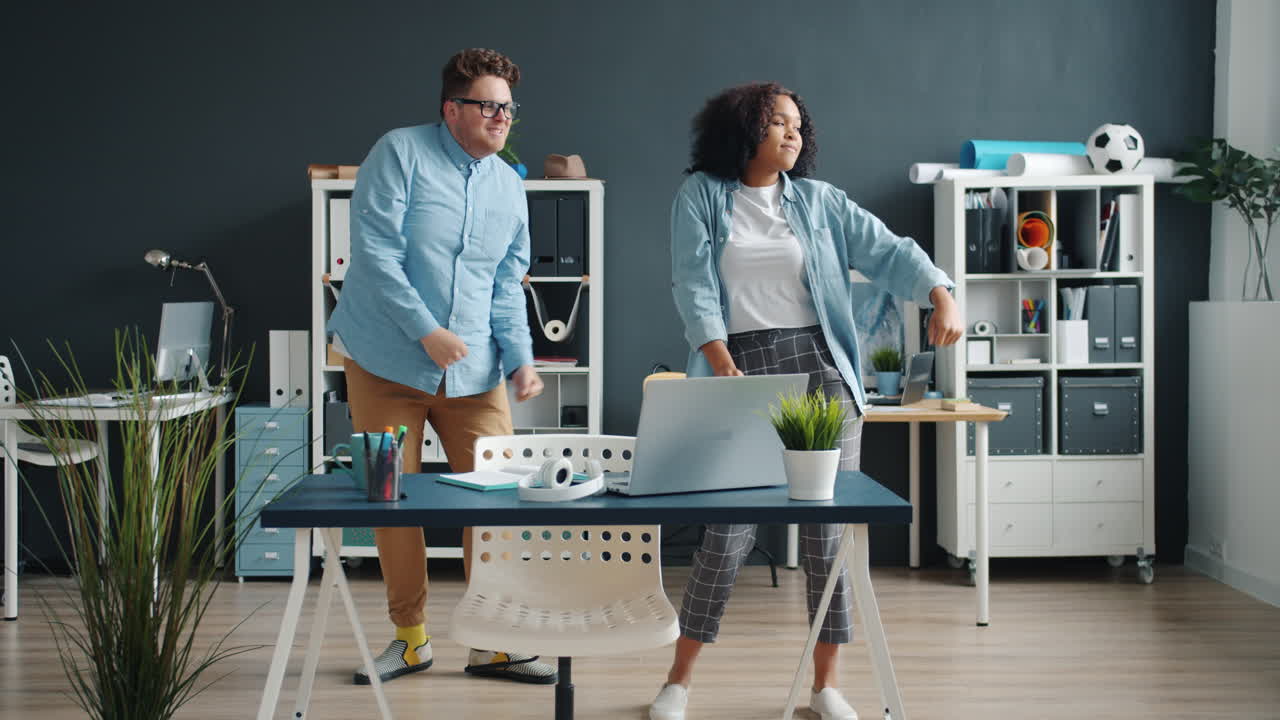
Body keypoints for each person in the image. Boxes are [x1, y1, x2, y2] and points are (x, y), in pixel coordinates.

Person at [652, 83, 964, 720]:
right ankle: (677, 683)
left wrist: (941, 293)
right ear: (744, 129)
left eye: (798, 124)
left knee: (829, 537)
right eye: (777, 122)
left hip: (822, 372)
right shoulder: (701, 197)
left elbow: (888, 251)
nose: (792, 133)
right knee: (727, 534)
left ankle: (826, 689)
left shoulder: (821, 202)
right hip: (739, 369)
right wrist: (720, 362)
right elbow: (692, 283)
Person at [327, 48, 556, 686]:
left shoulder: (508, 185)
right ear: (451, 109)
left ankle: (493, 642)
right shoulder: (399, 152)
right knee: (390, 499)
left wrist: (521, 359)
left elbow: (507, 284)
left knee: (498, 498)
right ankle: (410, 639)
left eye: (508, 108)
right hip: (384, 359)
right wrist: (425, 331)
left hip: (473, 370)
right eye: (488, 106)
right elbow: (374, 254)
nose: (501, 117)